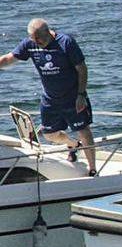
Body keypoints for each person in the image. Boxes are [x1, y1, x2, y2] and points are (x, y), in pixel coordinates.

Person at [0, 18, 96, 174]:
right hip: (50, 99)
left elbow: (82, 69)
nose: (36, 41)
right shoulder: (30, 44)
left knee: (83, 130)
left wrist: (81, 94)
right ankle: (73, 145)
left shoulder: (66, 42)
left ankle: (93, 168)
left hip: (72, 97)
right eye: (33, 38)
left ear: (48, 32)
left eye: (39, 38)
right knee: (49, 135)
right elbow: (8, 59)